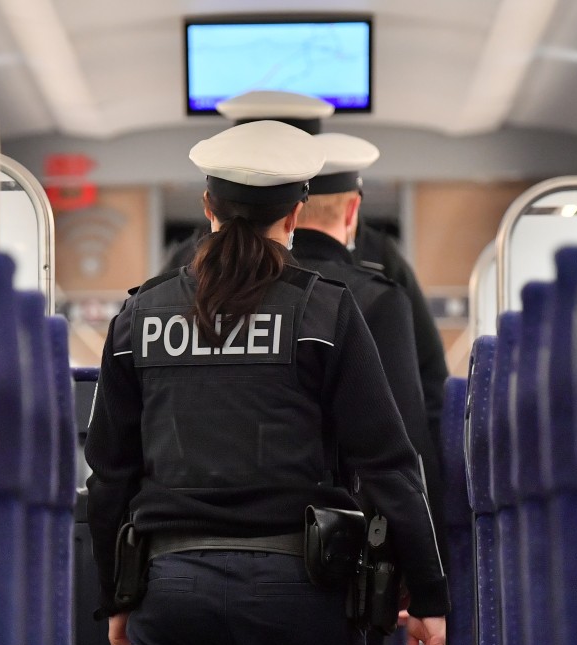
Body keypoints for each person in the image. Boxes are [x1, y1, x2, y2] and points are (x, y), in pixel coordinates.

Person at [85, 120, 449, 645]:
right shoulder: (326, 309)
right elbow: (389, 463)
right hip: (301, 595)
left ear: (208, 208)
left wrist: (116, 596)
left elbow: (109, 476)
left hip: (174, 588)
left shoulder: (141, 314)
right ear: (294, 213)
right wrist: (427, 595)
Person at [292, 131, 449, 645]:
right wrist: (422, 578)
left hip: (199, 573)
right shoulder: (372, 296)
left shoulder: (189, 297)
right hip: (339, 566)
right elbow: (402, 447)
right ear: (351, 212)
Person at [162, 90, 448, 454]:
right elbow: (408, 420)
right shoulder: (360, 289)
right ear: (296, 209)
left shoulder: (172, 281)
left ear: (208, 205)